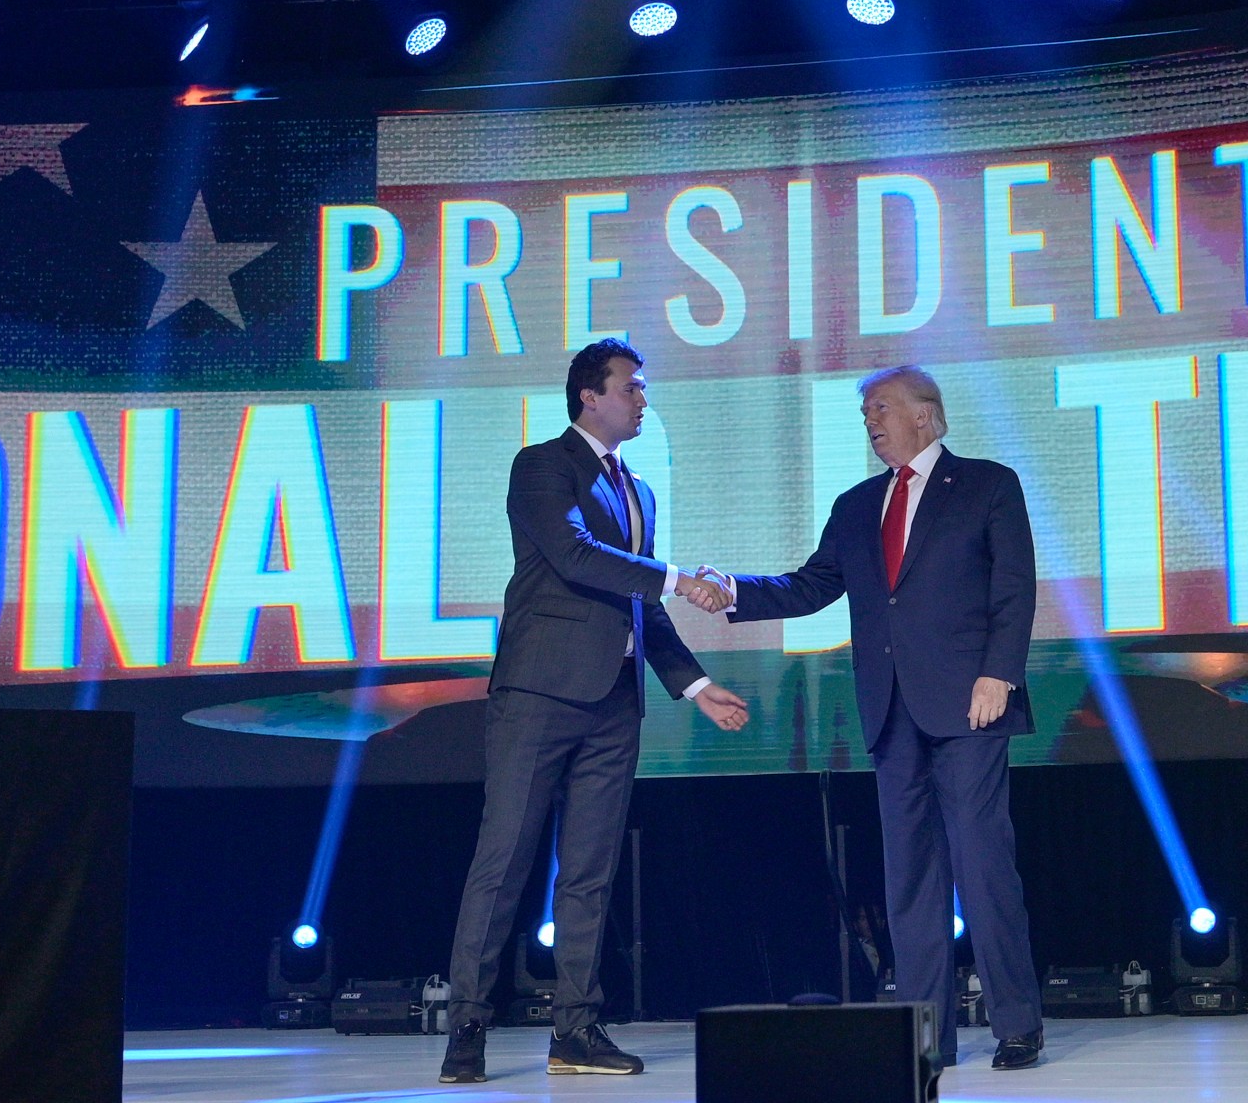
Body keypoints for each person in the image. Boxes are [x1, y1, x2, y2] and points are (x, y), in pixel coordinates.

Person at [707, 365, 1044, 1069]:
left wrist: (1000, 674)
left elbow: (1013, 588)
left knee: (984, 867)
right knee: (910, 880)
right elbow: (810, 585)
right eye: (865, 411)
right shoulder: (858, 504)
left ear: (927, 415)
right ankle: (927, 1034)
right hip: (891, 710)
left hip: (969, 705)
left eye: (881, 407)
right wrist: (734, 590)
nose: (871, 420)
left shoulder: (987, 485)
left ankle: (1017, 1025)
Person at [438, 339, 750, 1085]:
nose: (643, 400)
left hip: (614, 704)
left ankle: (574, 1030)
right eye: (632, 388)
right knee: (504, 860)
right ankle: (468, 1029)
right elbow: (576, 559)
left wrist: (695, 685)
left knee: (589, 872)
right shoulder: (543, 465)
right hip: (539, 695)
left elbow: (636, 603)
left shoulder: (637, 491)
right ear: (590, 396)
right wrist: (679, 578)